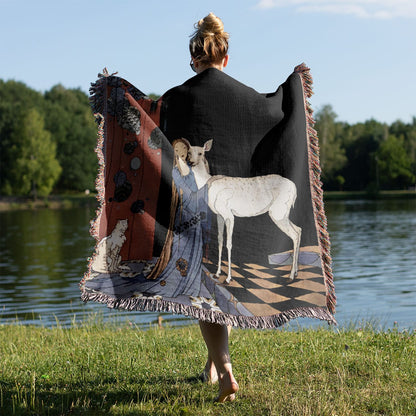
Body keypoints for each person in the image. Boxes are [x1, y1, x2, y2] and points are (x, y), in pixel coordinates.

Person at [161, 12, 239, 403]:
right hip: (231, 208)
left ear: (194, 59)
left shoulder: (175, 98)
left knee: (203, 292)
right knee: (220, 286)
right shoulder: (246, 97)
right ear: (225, 58)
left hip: (192, 209)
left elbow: (153, 134)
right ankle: (215, 365)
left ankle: (222, 368)